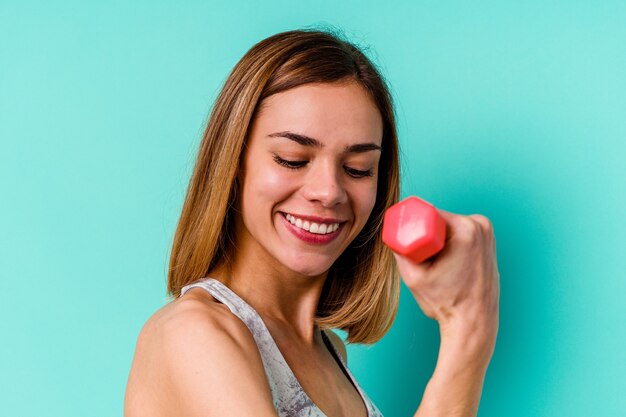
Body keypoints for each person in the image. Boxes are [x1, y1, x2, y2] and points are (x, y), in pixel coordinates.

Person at [124, 28, 500, 417]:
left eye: (358, 169)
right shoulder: (192, 333)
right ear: (234, 164)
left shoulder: (329, 352)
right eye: (292, 158)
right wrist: (469, 333)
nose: (329, 191)